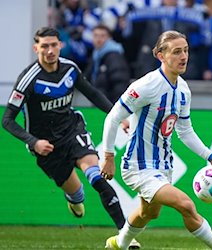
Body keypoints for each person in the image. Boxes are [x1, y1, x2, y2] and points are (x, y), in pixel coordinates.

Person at [1, 27, 140, 249]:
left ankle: (125, 236)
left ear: (60, 45)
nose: (49, 50)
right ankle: (74, 199)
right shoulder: (28, 79)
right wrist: (33, 142)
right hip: (46, 146)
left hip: (72, 131)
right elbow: (7, 120)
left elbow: (93, 93)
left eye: (53, 45)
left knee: (97, 177)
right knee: (76, 194)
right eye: (44, 46)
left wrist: (118, 115)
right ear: (36, 48)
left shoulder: (70, 69)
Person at [102, 30, 212, 250]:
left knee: (148, 213)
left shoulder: (183, 90)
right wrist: (108, 156)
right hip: (138, 166)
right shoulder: (146, 85)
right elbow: (113, 117)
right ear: (160, 55)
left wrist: (211, 157)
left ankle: (118, 244)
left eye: (186, 51)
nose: (183, 57)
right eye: (177, 52)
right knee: (186, 205)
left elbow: (185, 131)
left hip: (163, 165)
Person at [85, 24, 131, 103]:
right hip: (100, 103)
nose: (98, 39)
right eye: (95, 36)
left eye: (102, 36)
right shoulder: (96, 55)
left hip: (110, 104)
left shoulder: (114, 56)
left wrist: (116, 106)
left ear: (109, 38)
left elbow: (120, 83)